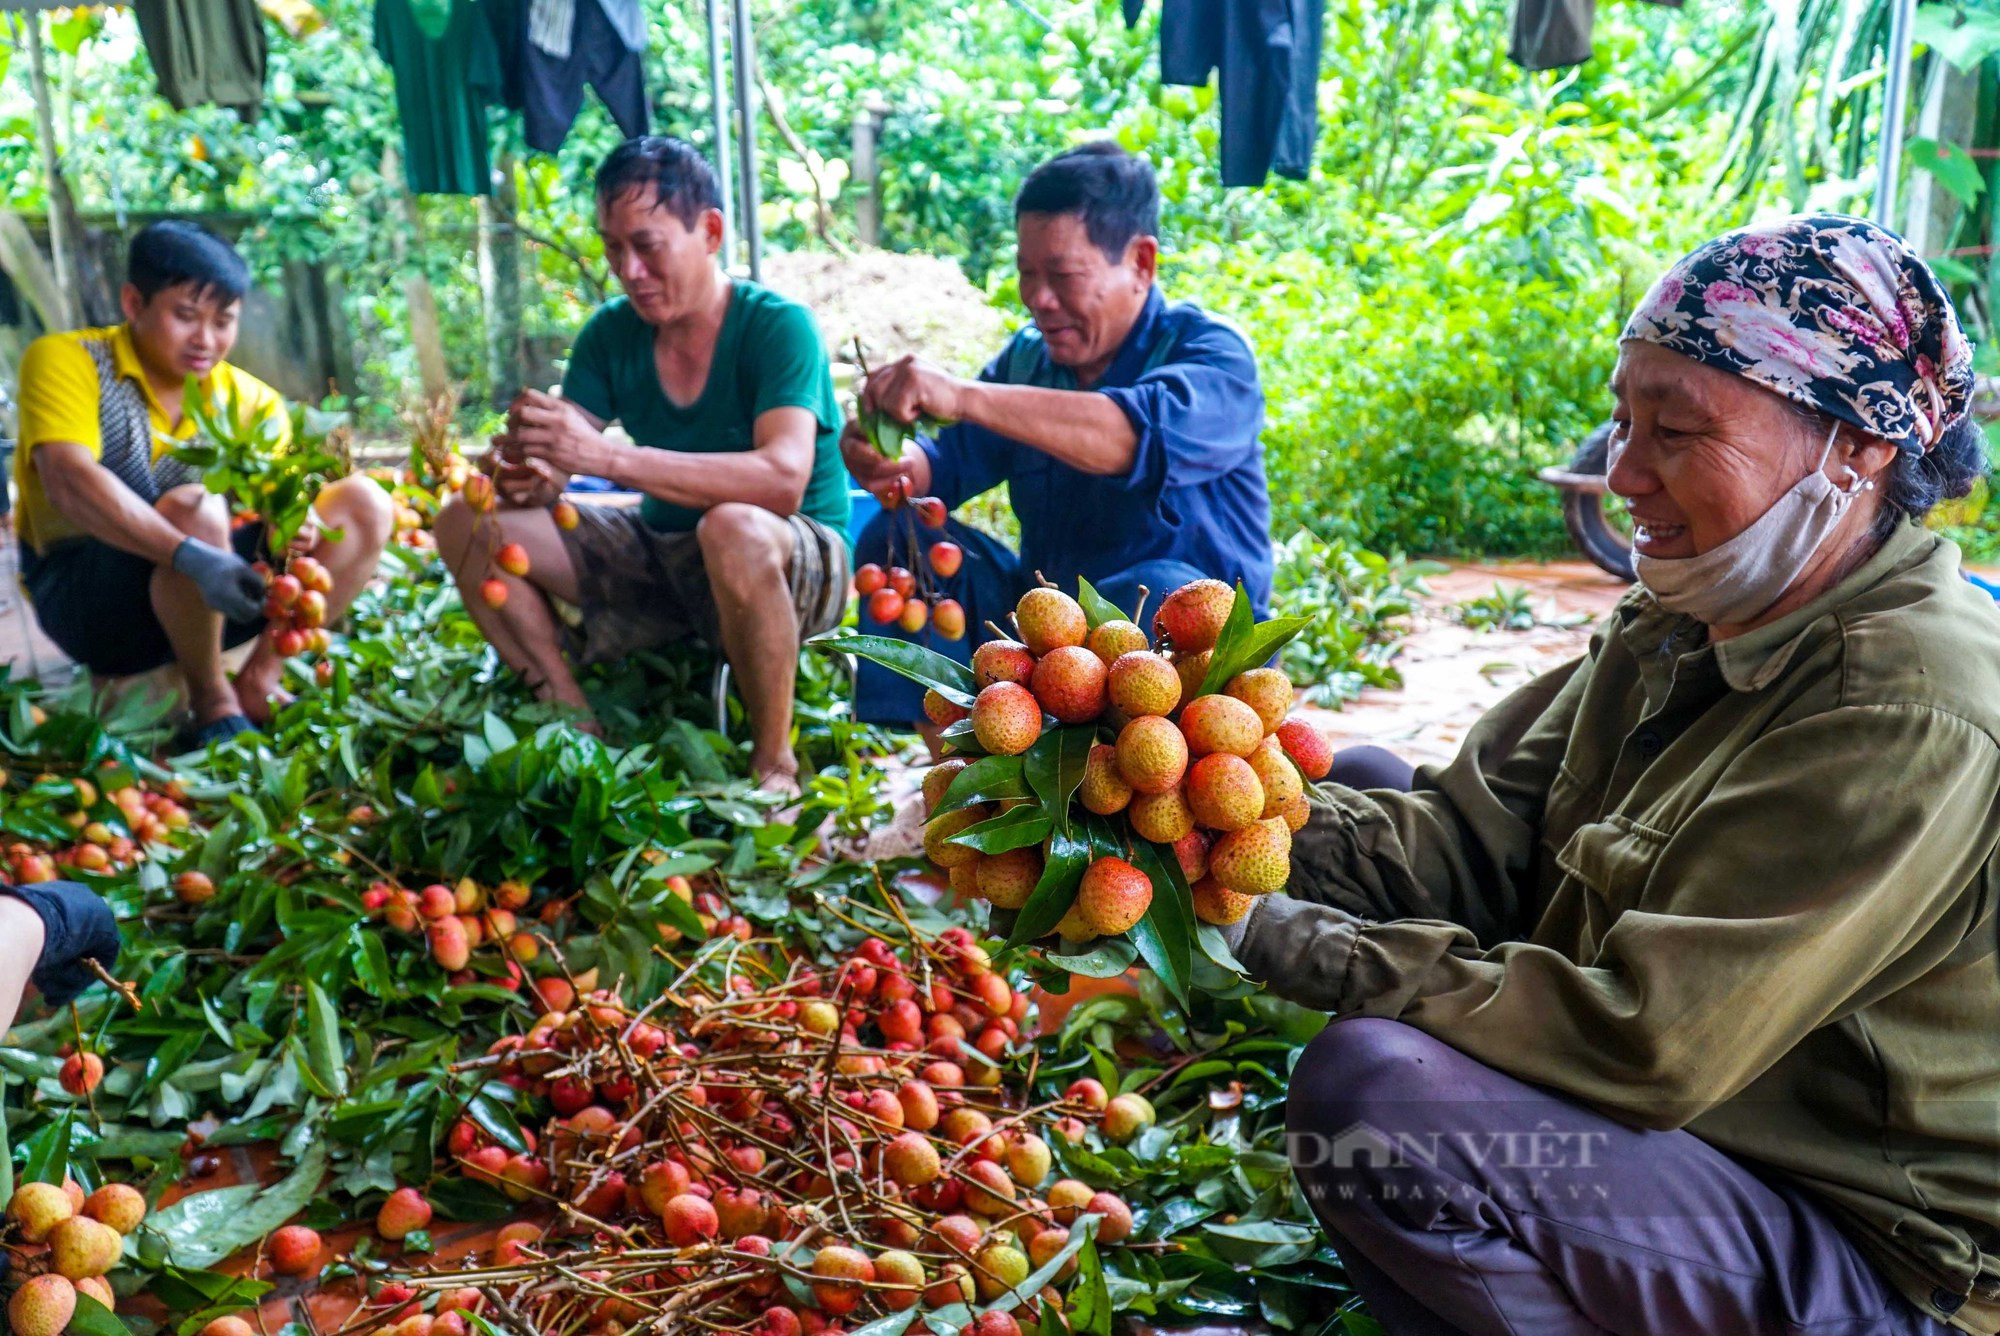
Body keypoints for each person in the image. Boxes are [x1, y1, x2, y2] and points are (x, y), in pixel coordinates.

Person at [1226, 216, 1998, 1334]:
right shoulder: (1688, 612)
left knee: (1375, 1104)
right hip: (1712, 1151)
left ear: (1857, 446)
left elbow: (1643, 1042)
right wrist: (1181, 818)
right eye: (1620, 417)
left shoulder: (1903, 704)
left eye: (1675, 431)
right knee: (1348, 781)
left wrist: (1271, 933)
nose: (1620, 471)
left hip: (1867, 1251)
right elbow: (1460, 833)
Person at [435, 136, 850, 797]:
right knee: (467, 520)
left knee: (732, 528)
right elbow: (561, 469)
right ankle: (572, 719)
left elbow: (782, 479)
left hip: (797, 560)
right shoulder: (611, 332)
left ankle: (775, 763)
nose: (628, 269)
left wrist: (606, 458)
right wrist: (526, 471)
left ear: (709, 231)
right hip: (666, 553)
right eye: (611, 247)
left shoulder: (778, 327)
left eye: (647, 245)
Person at [840, 142, 1271, 733]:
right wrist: (886, 457)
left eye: (1063, 275)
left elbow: (1128, 435)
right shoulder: (1026, 362)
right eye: (1026, 273)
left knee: (1172, 590)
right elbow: (935, 468)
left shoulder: (1214, 356)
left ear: (1141, 263)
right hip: (1048, 637)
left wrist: (962, 394)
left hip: (1183, 651)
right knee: (901, 528)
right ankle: (959, 785)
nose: (1038, 300)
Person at [13, 221, 393, 745]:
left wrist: (293, 521)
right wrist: (190, 554)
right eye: (185, 316)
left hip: (221, 596)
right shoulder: (66, 361)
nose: (206, 340)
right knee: (194, 506)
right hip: (91, 601)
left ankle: (261, 679)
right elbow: (68, 480)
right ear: (133, 302)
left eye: (223, 321)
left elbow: (272, 497)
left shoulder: (251, 402)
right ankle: (213, 703)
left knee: (363, 503)